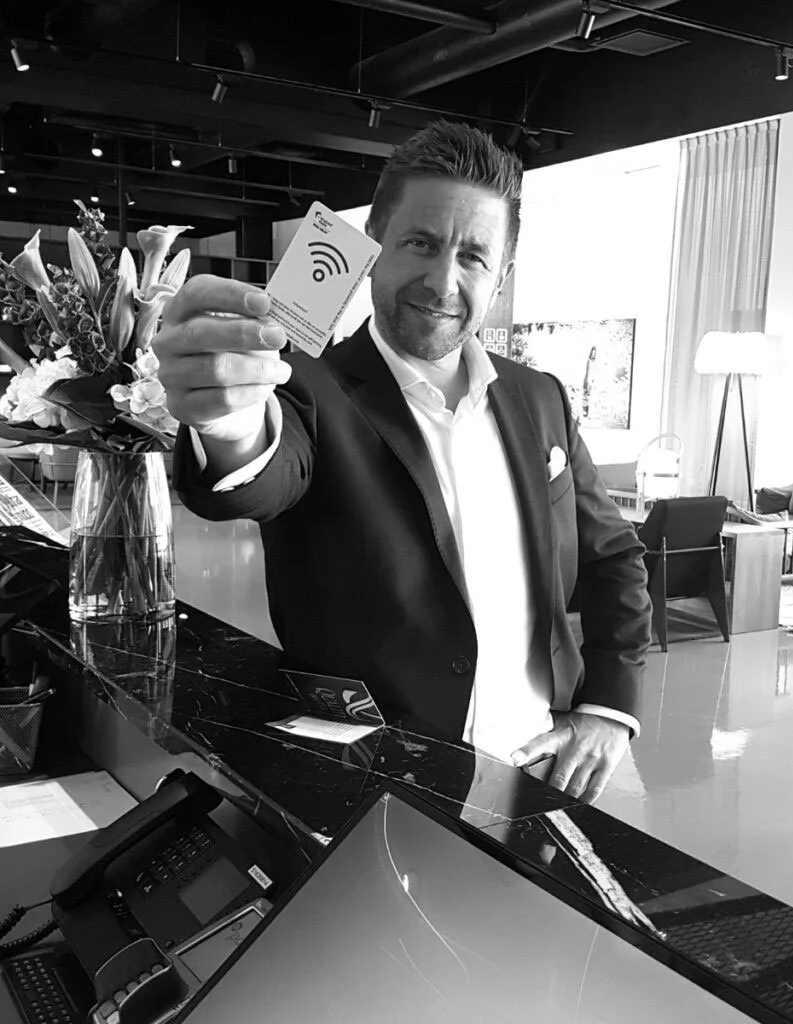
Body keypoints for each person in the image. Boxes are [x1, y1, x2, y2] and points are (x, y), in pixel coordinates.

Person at [154, 119, 652, 803]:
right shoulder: (307, 386)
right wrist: (227, 409)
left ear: (500, 276)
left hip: (542, 769)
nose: (443, 279)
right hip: (371, 784)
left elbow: (611, 556)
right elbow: (255, 477)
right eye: (419, 243)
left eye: (473, 256)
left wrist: (606, 708)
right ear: (372, 253)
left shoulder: (540, 398)